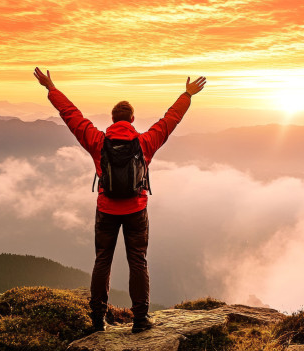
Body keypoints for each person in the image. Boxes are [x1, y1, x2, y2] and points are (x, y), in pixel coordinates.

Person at [33, 67, 206, 333]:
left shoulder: (97, 141)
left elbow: (71, 115)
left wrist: (51, 89)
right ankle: (140, 319)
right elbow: (170, 120)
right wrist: (187, 95)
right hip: (137, 210)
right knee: (138, 261)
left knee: (103, 260)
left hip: (106, 210)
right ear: (133, 119)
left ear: (112, 120)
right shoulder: (145, 142)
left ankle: (97, 319)